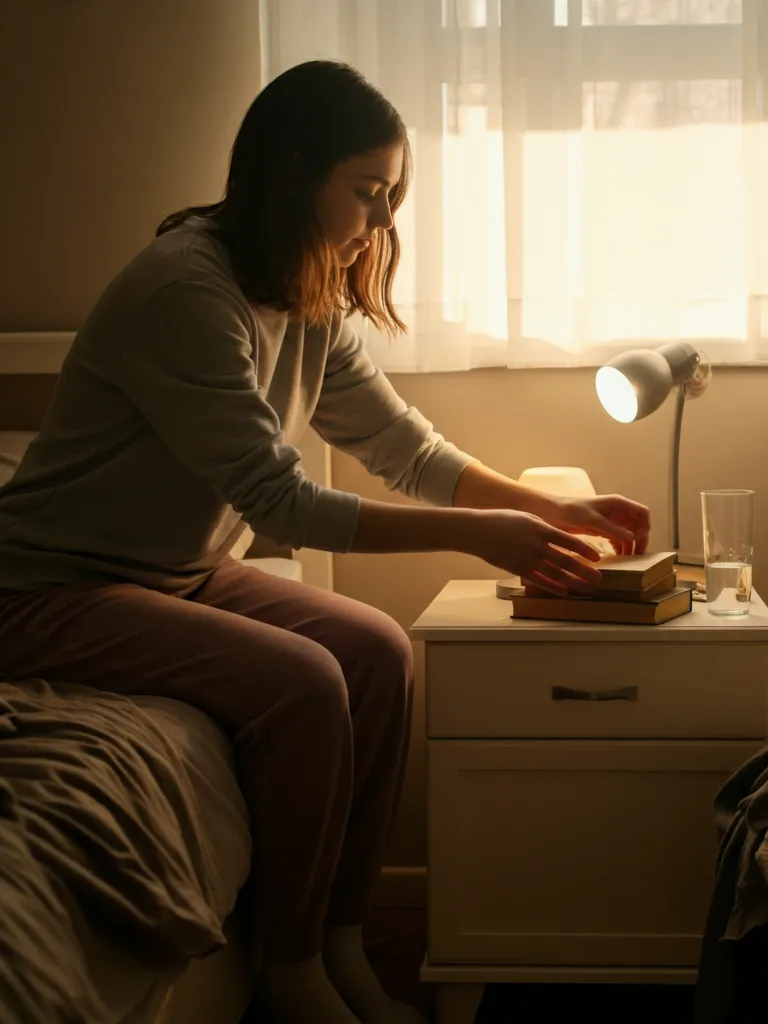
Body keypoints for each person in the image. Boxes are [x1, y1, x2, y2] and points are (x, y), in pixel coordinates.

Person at [0, 61, 650, 1024]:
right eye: (369, 192)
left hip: (175, 574)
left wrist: (547, 511)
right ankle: (290, 965)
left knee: (379, 654)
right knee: (303, 684)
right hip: (45, 589)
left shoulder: (305, 291)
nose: (382, 222)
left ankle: (341, 937)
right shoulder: (185, 293)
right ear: (293, 169)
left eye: (393, 197)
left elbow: (401, 447)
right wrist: (486, 538)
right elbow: (283, 501)